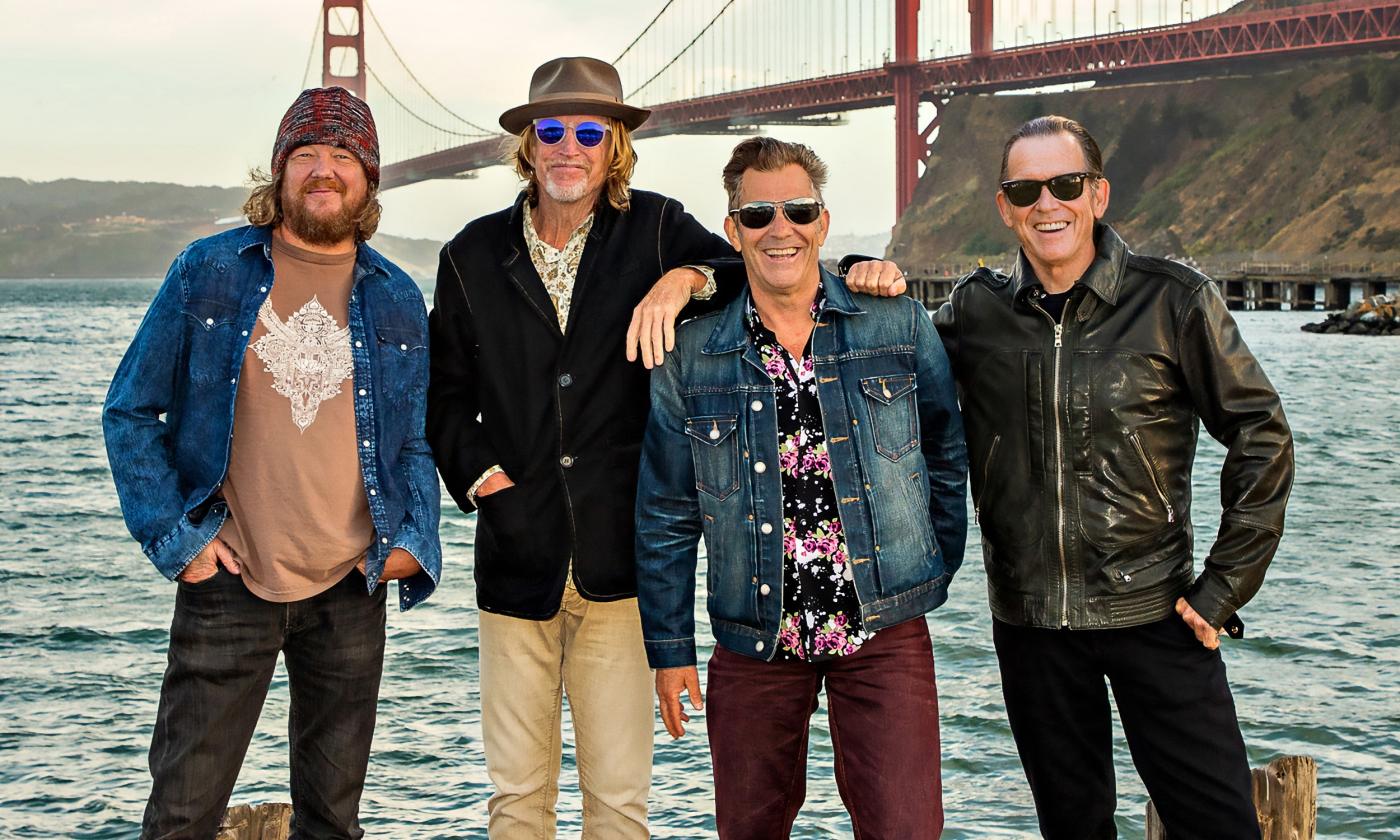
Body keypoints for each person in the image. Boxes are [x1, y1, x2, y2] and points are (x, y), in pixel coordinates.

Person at [426, 57, 905, 838]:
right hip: (514, 559)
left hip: (624, 571)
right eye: (551, 130)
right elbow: (443, 396)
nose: (568, 147)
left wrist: (682, 278)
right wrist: (486, 484)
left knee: (618, 802)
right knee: (516, 801)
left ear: (614, 145)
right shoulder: (469, 254)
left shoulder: (655, 227)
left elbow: (763, 262)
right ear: (528, 145)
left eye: (590, 131)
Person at [928, 114, 1293, 838]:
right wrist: (859, 279)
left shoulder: (1173, 301)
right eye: (1025, 190)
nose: (1046, 204)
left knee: (1220, 826)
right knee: (1074, 828)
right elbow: (883, 373)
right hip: (1030, 625)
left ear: (1098, 194)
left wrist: (1224, 586)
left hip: (1159, 614)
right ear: (1004, 206)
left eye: (1065, 184)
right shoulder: (975, 311)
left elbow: (1261, 434)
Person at [102, 87, 440, 838]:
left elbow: (413, 439)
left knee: (333, 821)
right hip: (230, 581)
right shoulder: (207, 272)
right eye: (307, 153)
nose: (325, 170)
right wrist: (180, 541)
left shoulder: (397, 298)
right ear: (280, 171)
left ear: (370, 177)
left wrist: (415, 543)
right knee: (183, 813)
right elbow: (128, 409)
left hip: (353, 587)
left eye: (344, 155)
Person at [634, 136, 968, 839]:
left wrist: (929, 566)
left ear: (821, 220)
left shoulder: (896, 323)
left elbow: (945, 449)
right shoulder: (691, 357)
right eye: (757, 215)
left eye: (797, 210)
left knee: (907, 829)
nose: (778, 228)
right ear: (732, 231)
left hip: (884, 627)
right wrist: (669, 649)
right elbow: (665, 511)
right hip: (755, 638)